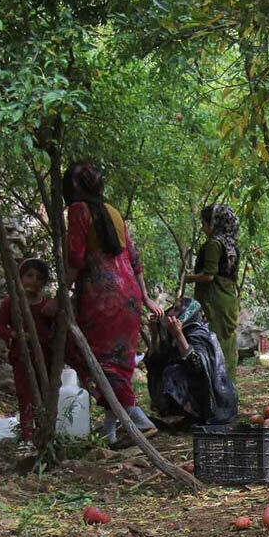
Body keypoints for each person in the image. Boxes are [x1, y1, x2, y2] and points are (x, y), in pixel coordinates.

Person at [62, 161, 164, 447]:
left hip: (101, 297)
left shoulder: (79, 211)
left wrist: (62, 293)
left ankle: (138, 420)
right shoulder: (114, 213)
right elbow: (134, 258)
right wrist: (145, 296)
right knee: (117, 362)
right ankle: (109, 431)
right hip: (129, 295)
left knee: (94, 360)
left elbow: (75, 258)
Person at [145, 297, 238, 427]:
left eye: (176, 309)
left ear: (187, 313)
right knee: (160, 370)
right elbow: (153, 365)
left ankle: (192, 415)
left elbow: (197, 367)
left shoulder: (202, 335)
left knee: (173, 371)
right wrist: (154, 335)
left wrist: (179, 335)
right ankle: (174, 412)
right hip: (194, 395)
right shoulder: (172, 337)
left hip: (213, 405)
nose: (170, 313)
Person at [0, 257, 57, 442]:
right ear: (20, 278)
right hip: (22, 357)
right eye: (29, 276)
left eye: (39, 278)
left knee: (45, 395)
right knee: (26, 396)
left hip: (46, 358)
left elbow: (56, 328)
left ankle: (45, 435)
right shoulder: (11, 303)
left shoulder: (47, 304)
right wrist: (16, 334)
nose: (34, 281)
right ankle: (28, 437)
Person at [182, 204, 240, 374]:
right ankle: (228, 383)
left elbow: (209, 275)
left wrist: (189, 278)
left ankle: (217, 383)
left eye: (204, 223)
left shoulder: (214, 244)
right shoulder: (232, 245)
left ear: (214, 223)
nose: (202, 228)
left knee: (213, 344)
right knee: (226, 345)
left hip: (214, 301)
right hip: (228, 299)